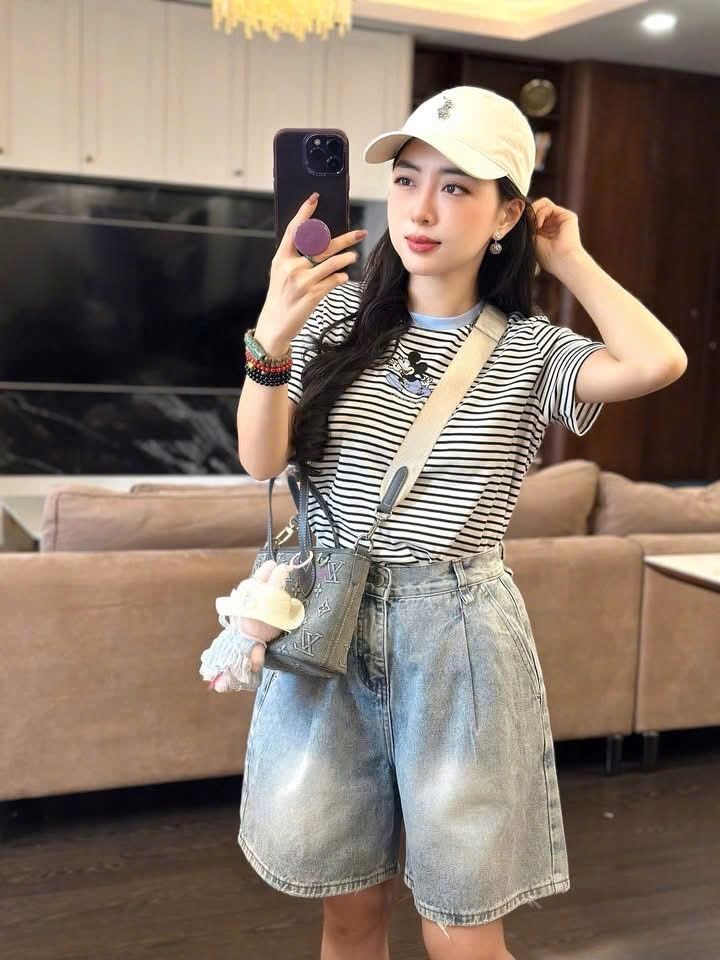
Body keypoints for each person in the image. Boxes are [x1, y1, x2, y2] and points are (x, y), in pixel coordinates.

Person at [235, 87, 687, 960]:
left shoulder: (532, 348)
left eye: (456, 187)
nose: (420, 209)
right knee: (347, 912)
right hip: (326, 621)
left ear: (508, 213)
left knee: (462, 927)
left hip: (458, 637)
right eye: (408, 180)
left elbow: (657, 361)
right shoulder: (331, 317)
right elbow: (261, 462)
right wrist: (271, 333)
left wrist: (570, 258)